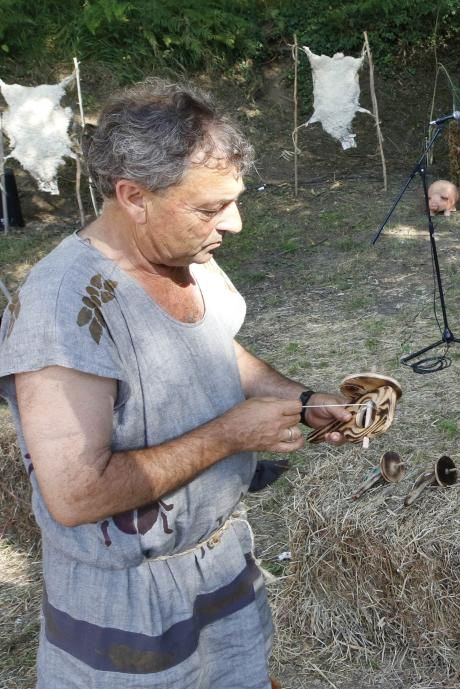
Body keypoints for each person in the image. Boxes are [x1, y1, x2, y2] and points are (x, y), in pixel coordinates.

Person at [0, 79, 354, 689]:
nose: (234, 224)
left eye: (234, 200)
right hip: (127, 604)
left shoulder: (190, 261)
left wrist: (299, 399)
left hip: (218, 567)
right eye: (209, 208)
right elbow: (76, 495)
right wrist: (231, 434)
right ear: (133, 195)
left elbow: (217, 351)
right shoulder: (63, 309)